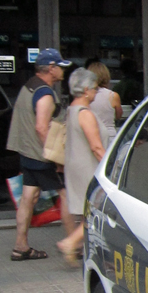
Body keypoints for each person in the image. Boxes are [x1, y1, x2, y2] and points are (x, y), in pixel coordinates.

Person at [5, 48, 74, 261]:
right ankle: (73, 245)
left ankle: (20, 246)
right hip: (42, 155)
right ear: (51, 69)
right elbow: (41, 127)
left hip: (27, 153)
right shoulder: (44, 93)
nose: (63, 71)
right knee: (66, 196)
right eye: (60, 67)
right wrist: (56, 159)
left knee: (29, 198)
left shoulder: (29, 86)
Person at [56, 68, 105, 266]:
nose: (96, 92)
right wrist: (109, 167)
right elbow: (95, 146)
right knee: (96, 208)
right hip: (88, 165)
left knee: (87, 210)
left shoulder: (71, 110)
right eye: (94, 89)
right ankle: (70, 242)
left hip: (74, 163)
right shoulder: (85, 114)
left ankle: (81, 246)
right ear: (85, 89)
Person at [86, 61, 122, 148]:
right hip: (109, 136)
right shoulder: (113, 96)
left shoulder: (85, 95)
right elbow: (118, 115)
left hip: (90, 135)